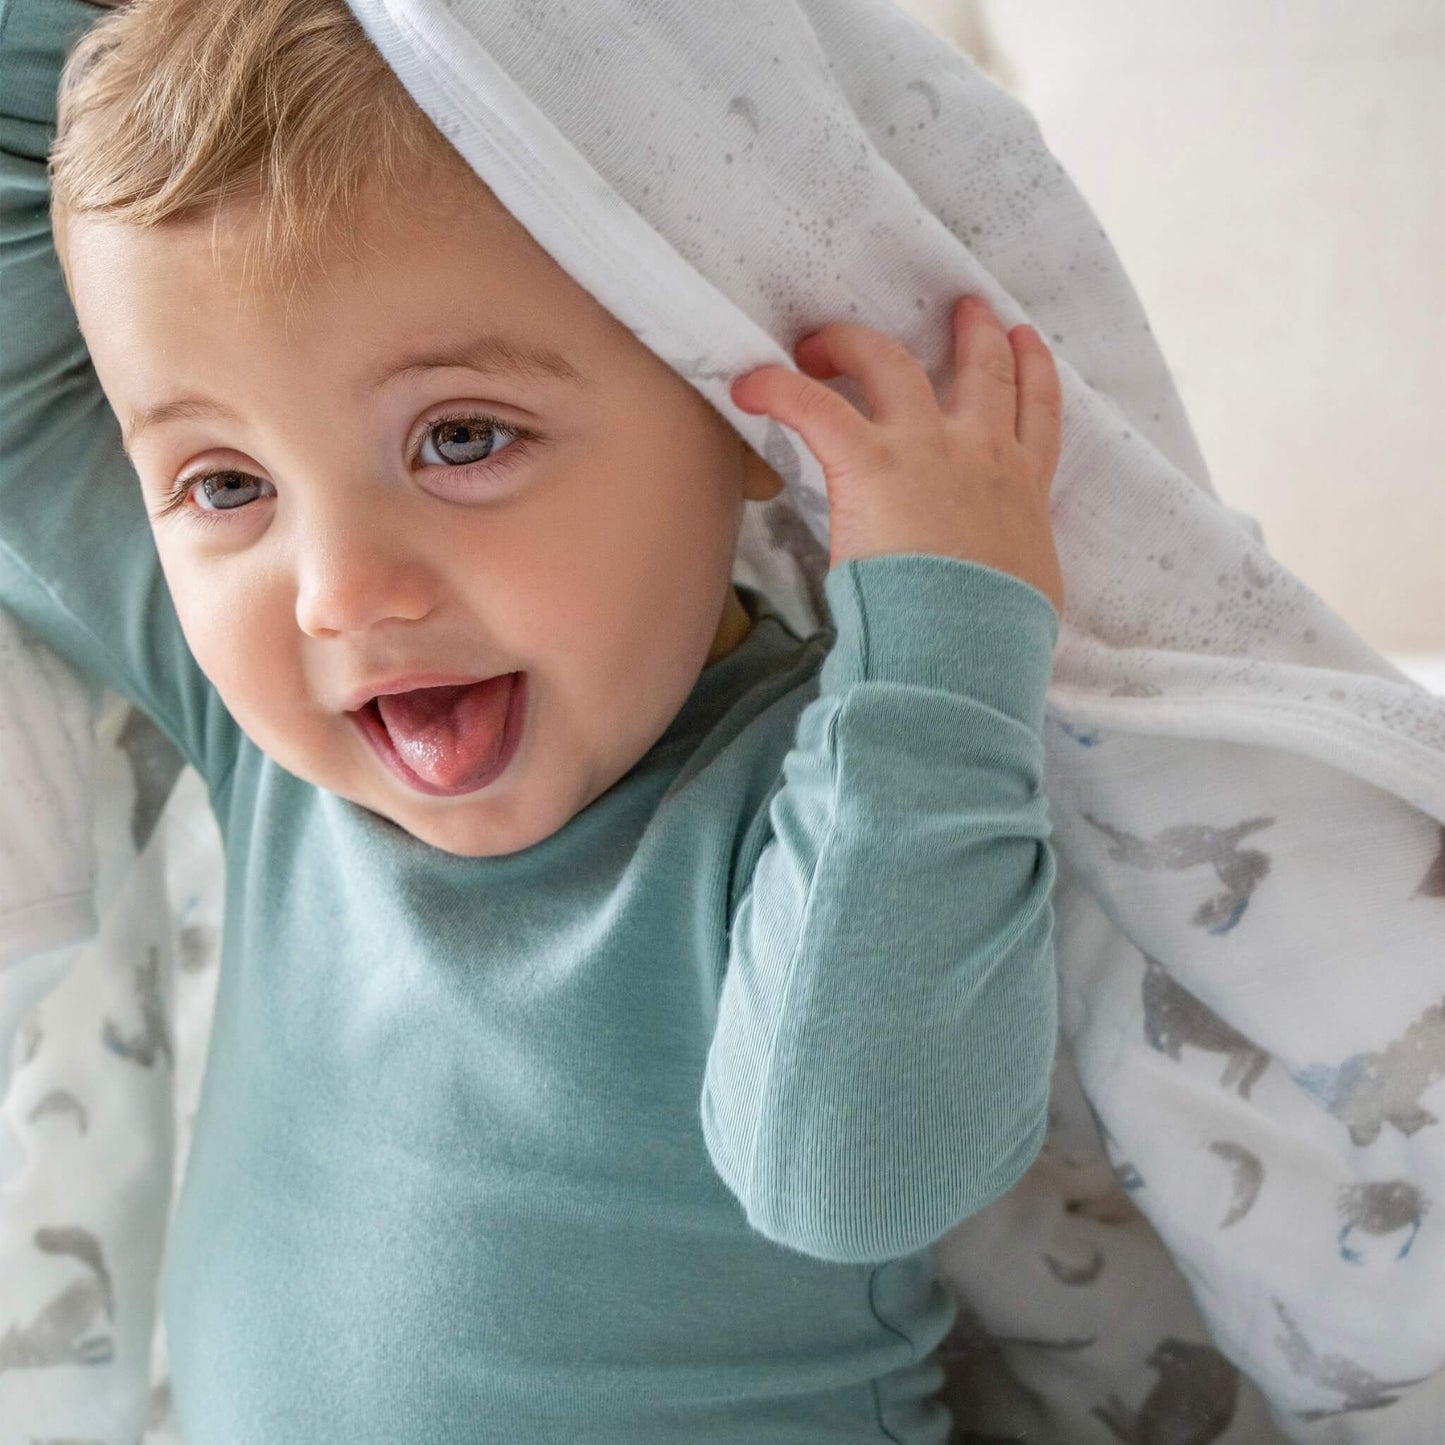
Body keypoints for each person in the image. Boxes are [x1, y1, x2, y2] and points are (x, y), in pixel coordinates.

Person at [0, 0, 1066, 1438]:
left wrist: (945, 644)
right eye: (227, 484)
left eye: (461, 437)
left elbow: (863, 1170)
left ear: (739, 415)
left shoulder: (820, 773)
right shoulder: (268, 746)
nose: (337, 593)